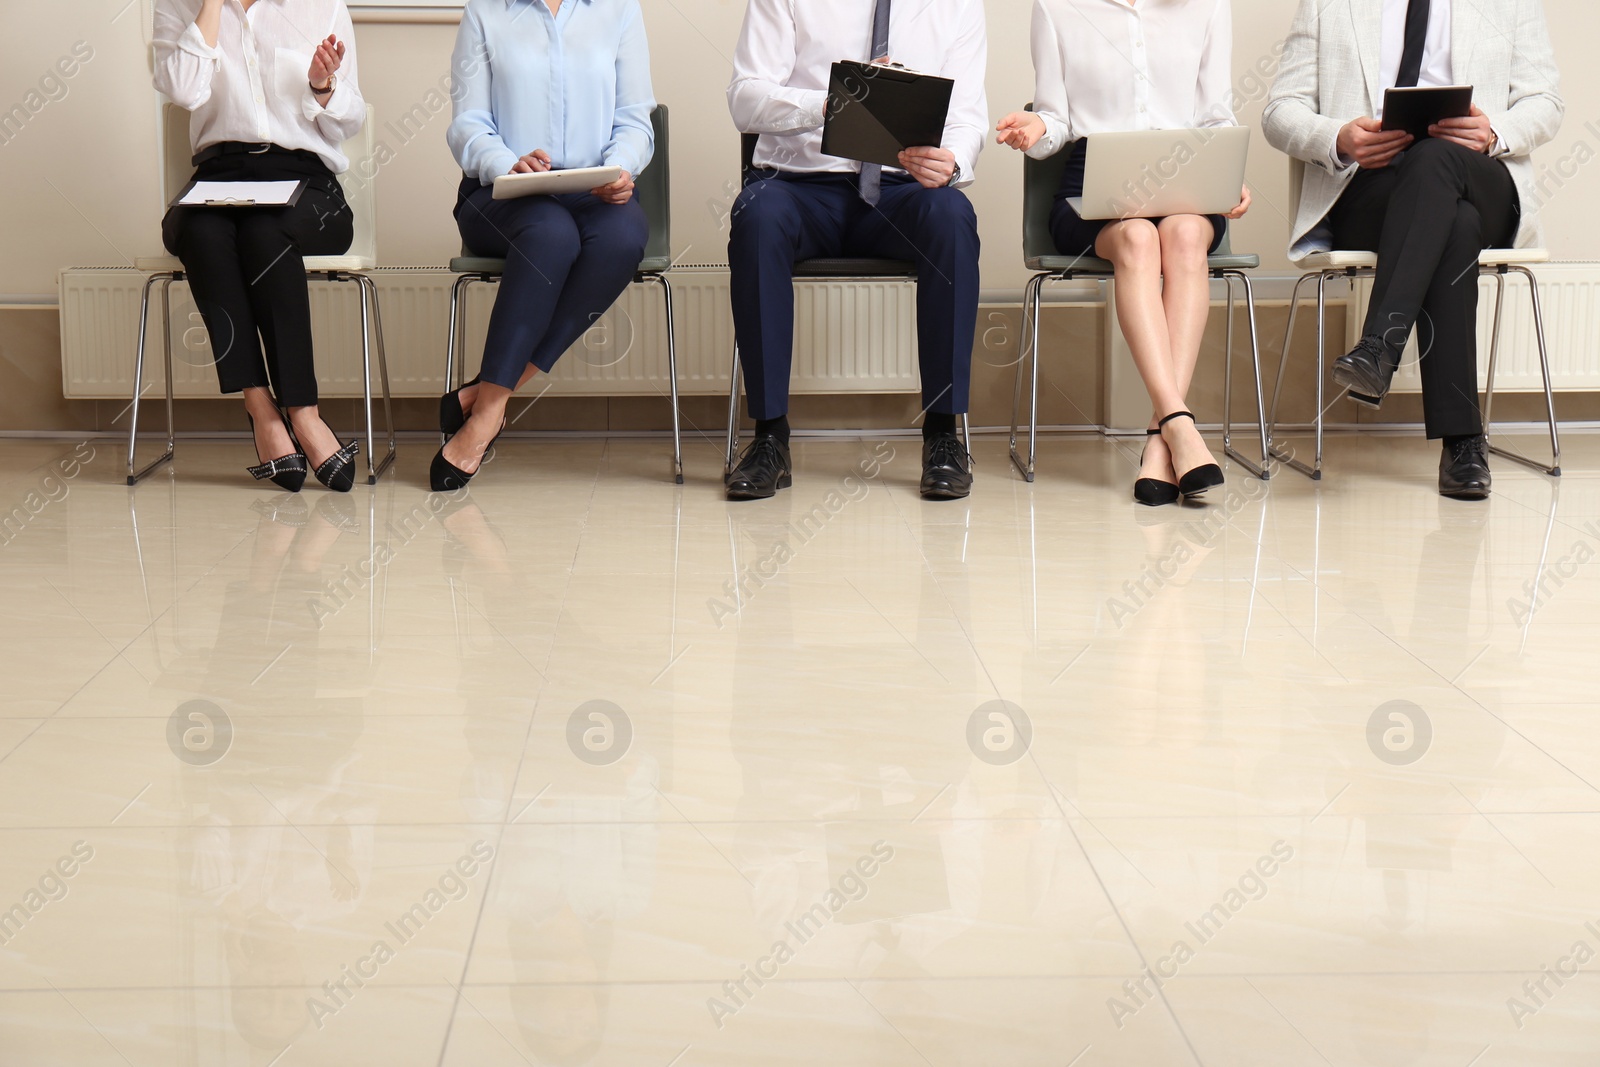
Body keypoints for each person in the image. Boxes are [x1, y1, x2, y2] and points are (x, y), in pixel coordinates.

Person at [1264, 0, 1563, 499]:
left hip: (1481, 176)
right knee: (1454, 221)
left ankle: (1380, 346)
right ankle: (1463, 442)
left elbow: (1546, 103)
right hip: (1371, 191)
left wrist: (1494, 133)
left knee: (1438, 163)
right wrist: (1337, 137)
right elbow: (1279, 110)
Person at [724, 0, 988, 501]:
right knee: (756, 214)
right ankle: (769, 436)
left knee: (952, 216)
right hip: (799, 186)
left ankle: (943, 435)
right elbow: (745, 99)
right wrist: (830, 103)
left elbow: (967, 116)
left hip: (900, 191)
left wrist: (951, 164)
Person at [995, 0, 1249, 506]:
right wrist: (1037, 131)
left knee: (1183, 235)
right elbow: (1054, 116)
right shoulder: (1057, 8)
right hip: (1095, 183)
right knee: (1136, 238)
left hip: (1186, 172)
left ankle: (1162, 437)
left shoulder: (1207, 7)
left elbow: (1216, 116)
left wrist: (1230, 172)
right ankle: (1179, 426)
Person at [434, 0, 654, 492]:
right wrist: (506, 161)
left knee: (623, 238)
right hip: (501, 191)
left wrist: (620, 168)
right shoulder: (484, 13)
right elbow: (467, 121)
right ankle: (488, 412)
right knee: (551, 235)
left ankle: (488, 399)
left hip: (591, 188)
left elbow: (635, 118)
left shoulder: (619, 10)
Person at [153, 0, 366, 492]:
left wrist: (322, 86)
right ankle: (260, 406)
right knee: (199, 232)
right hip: (220, 176)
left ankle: (302, 411)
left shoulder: (322, 5)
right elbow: (183, 89)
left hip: (307, 182)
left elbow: (350, 119)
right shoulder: (177, 7)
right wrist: (209, 6)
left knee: (266, 234)